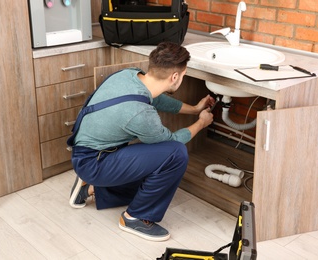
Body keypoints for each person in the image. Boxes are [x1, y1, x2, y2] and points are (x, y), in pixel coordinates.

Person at [68, 42, 214, 242]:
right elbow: (173, 142)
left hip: (89, 152)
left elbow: (158, 100)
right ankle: (134, 217)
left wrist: (195, 109)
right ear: (175, 77)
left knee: (150, 185)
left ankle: (89, 188)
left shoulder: (130, 75)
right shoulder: (140, 113)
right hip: (95, 161)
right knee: (175, 154)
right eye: (184, 74)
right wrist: (201, 123)